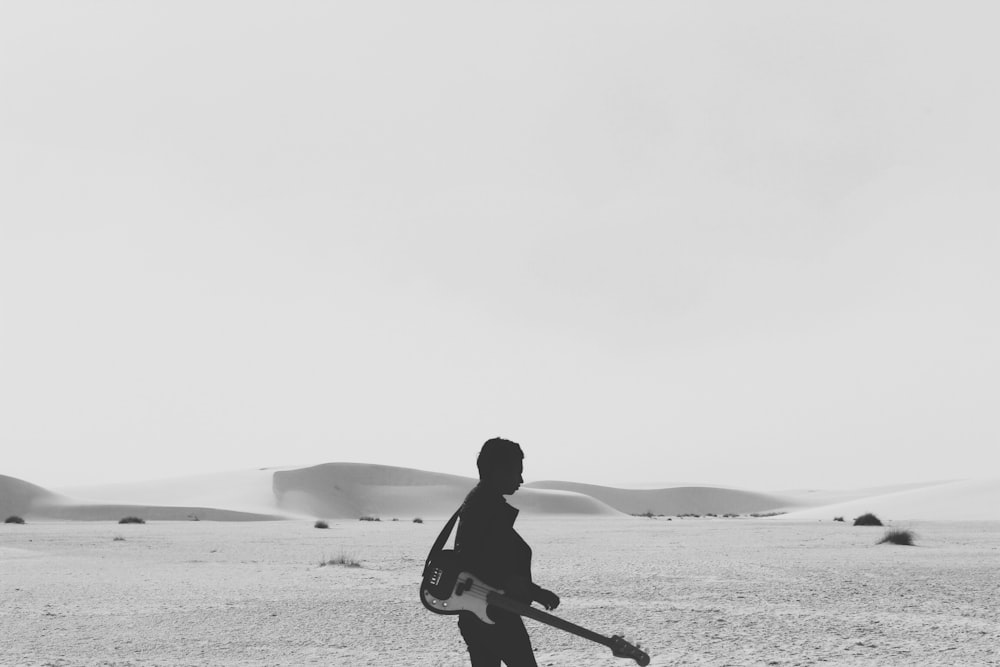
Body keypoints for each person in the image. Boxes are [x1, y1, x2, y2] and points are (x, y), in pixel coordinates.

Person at [455, 437, 561, 667]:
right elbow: (489, 567)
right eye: (516, 472)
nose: (521, 479)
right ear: (498, 471)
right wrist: (537, 593)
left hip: (481, 613)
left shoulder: (479, 503)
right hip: (494, 614)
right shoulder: (484, 508)